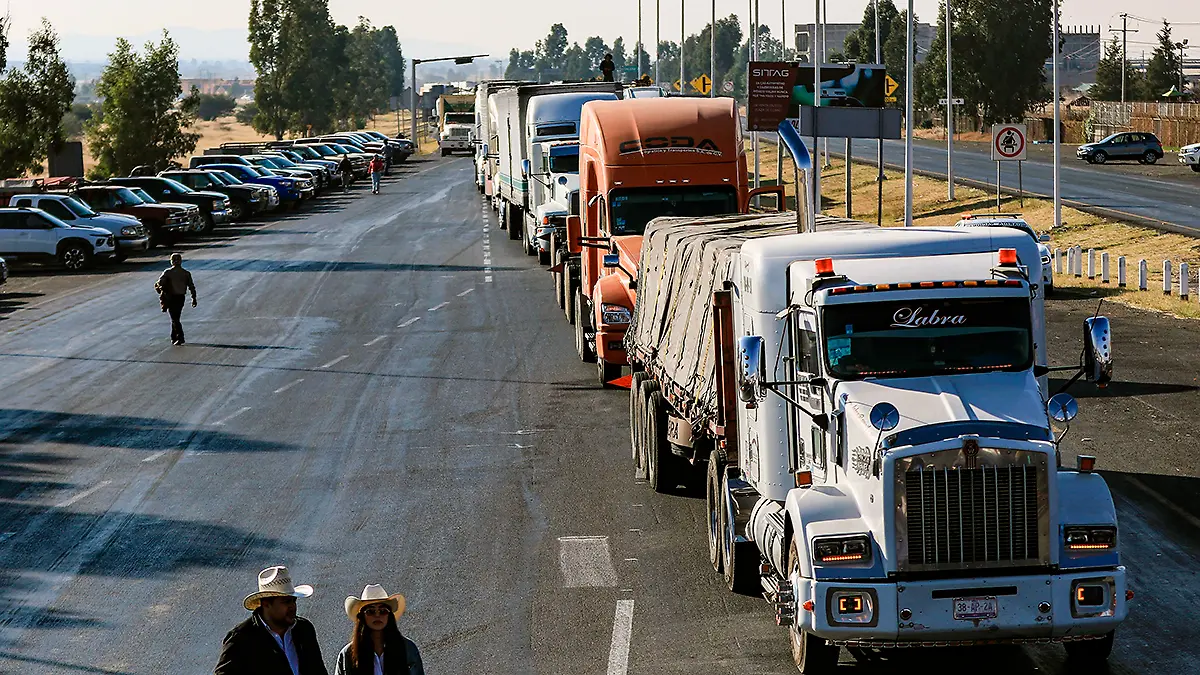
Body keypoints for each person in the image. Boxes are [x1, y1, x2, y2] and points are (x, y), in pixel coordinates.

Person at [215, 565, 329, 675]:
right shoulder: (241, 638)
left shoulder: (304, 629)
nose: (292, 607)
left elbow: (318, 670)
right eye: (286, 602)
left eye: (293, 601)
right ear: (266, 604)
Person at [334, 584, 424, 675]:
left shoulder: (408, 649)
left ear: (389, 616)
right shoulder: (347, 655)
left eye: (383, 611)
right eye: (370, 611)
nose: (377, 615)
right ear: (362, 617)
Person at [155, 252, 197, 346]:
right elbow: (191, 286)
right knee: (176, 317)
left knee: (174, 318)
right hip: (181, 297)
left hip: (171, 297)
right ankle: (174, 337)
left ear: (171, 261)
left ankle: (180, 337)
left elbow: (159, 283)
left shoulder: (168, 272)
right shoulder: (186, 273)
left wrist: (161, 290)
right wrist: (194, 298)